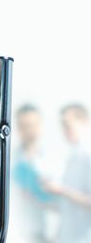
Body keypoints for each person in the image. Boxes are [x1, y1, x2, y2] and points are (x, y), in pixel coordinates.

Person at [44, 103, 91, 243]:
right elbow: (71, 206)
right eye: (62, 125)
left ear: (84, 122)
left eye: (67, 124)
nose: (64, 130)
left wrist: (62, 190)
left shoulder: (88, 156)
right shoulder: (73, 157)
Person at [9, 104, 52, 243]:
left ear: (40, 125)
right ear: (18, 127)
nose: (30, 130)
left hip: (45, 234)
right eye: (25, 125)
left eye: (33, 125)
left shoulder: (53, 161)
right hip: (15, 235)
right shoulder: (8, 160)